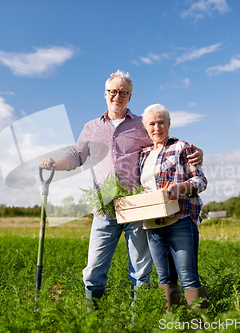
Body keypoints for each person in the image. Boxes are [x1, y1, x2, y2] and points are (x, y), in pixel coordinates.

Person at [39, 71, 203, 311]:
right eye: (113, 92)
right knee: (94, 269)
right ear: (105, 94)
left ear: (130, 96)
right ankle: (92, 319)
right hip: (103, 209)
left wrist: (195, 153)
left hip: (136, 209)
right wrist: (55, 164)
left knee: (140, 271)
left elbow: (164, 143)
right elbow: (76, 156)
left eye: (123, 92)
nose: (118, 96)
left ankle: (139, 319)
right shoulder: (91, 128)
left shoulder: (141, 124)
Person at [139, 103, 208, 311]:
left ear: (169, 124)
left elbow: (201, 181)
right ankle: (172, 324)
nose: (157, 128)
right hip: (152, 223)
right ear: (145, 127)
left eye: (161, 122)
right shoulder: (142, 155)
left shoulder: (182, 147)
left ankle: (201, 324)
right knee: (165, 279)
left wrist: (183, 187)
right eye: (152, 123)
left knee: (188, 278)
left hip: (180, 219)